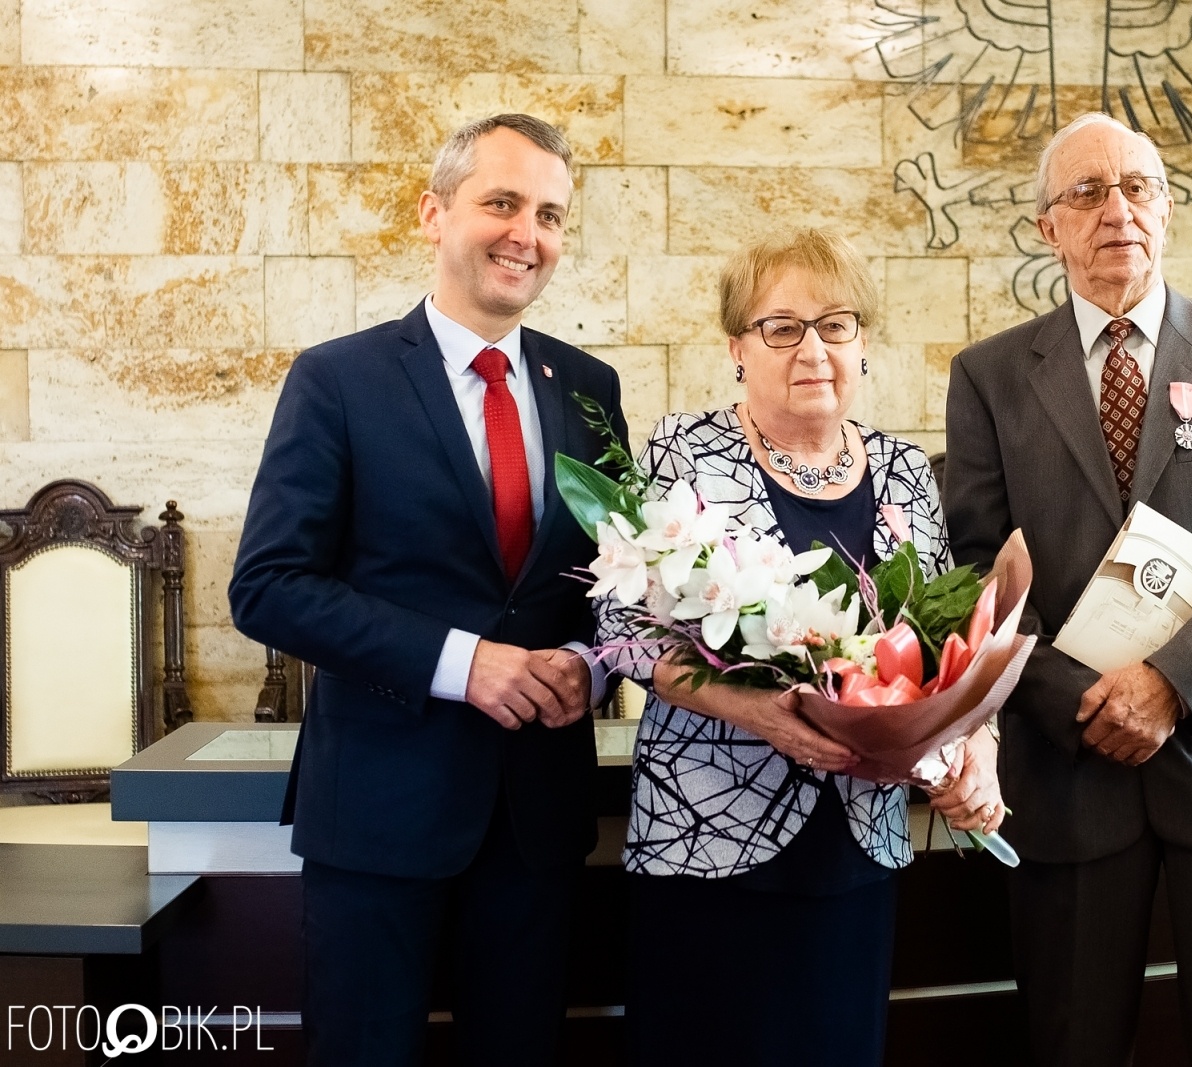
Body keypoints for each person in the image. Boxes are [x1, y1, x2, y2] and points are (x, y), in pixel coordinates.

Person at [943, 112, 1192, 1067]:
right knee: (1072, 1042)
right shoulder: (990, 376)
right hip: (1070, 768)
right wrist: (1079, 699)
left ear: (1168, 208)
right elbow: (978, 569)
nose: (1116, 209)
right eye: (1086, 193)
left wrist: (1168, 684)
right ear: (1048, 228)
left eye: (1139, 187)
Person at [229, 114, 626, 1066]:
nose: (526, 233)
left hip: (536, 816)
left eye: (550, 214)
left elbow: (616, 581)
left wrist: (584, 659)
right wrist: (463, 665)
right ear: (432, 213)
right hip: (377, 816)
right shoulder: (337, 380)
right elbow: (270, 586)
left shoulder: (589, 387)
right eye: (501, 202)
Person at [598, 228, 1002, 1067]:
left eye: (837, 324)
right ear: (738, 348)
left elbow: (945, 654)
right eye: (781, 327)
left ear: (862, 344)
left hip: (856, 851)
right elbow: (625, 632)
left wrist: (975, 745)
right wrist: (758, 713)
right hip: (707, 841)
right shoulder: (688, 452)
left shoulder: (903, 470)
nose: (813, 348)